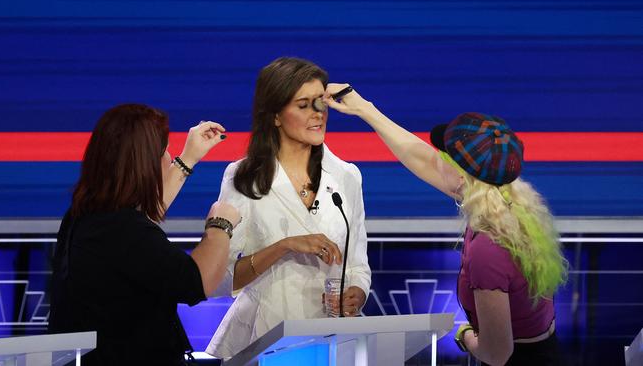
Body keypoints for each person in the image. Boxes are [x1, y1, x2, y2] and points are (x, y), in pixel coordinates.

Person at [324, 84, 568, 365]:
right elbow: (420, 158)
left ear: (462, 178)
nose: (435, 157)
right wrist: (363, 108)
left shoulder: (488, 248)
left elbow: (497, 353)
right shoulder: (506, 202)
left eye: (443, 156)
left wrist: (463, 334)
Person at [48, 104, 241, 365]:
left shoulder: (87, 217)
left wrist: (189, 158)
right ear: (144, 163)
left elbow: (145, 217)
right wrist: (220, 225)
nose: (168, 158)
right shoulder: (121, 229)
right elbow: (197, 281)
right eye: (164, 152)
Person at [206, 58, 371, 358]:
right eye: (304, 105)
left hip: (330, 340)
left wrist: (357, 293)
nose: (318, 115)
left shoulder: (347, 176)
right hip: (265, 340)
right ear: (276, 116)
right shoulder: (243, 178)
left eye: (320, 104)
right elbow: (216, 278)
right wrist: (283, 246)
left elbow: (358, 264)